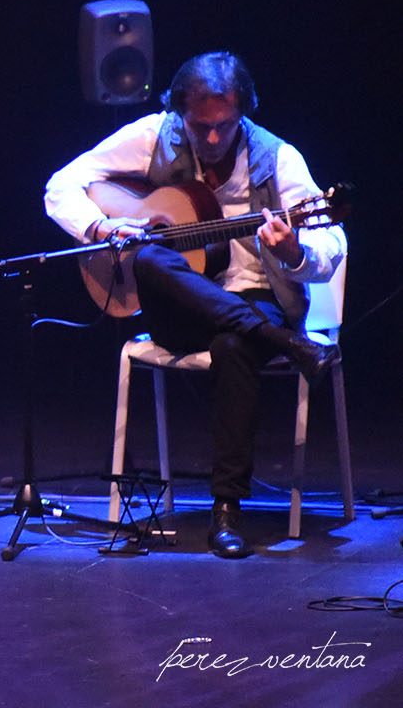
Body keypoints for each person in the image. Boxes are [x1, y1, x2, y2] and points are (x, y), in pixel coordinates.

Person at [44, 51, 345, 558]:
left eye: (224, 127)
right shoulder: (153, 136)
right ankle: (284, 344)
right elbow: (60, 185)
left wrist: (295, 252)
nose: (210, 139)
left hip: (253, 300)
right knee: (153, 260)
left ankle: (226, 509)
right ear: (181, 112)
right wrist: (100, 226)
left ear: (243, 113)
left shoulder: (278, 158)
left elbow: (332, 245)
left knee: (233, 342)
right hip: (178, 309)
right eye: (199, 126)